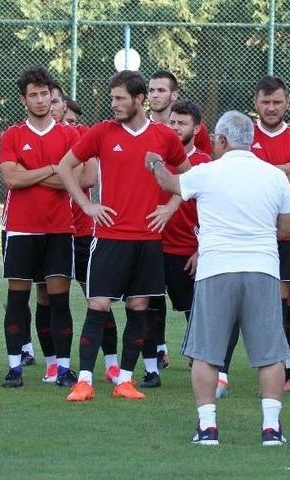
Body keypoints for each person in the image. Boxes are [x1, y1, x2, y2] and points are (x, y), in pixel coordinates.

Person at [150, 110, 290, 446]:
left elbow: (169, 183)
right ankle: (271, 428)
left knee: (206, 353)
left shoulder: (207, 172)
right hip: (262, 268)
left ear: (225, 140)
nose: (212, 142)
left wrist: (155, 161)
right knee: (270, 355)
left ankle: (208, 427)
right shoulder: (274, 176)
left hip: (216, 269)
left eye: (215, 138)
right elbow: (288, 228)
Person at [55, 70, 189, 402]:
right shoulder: (102, 132)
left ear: (139, 99)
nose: (113, 104)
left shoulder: (163, 137)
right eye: (112, 98)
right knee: (97, 304)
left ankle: (125, 380)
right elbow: (63, 166)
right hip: (110, 237)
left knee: (139, 307)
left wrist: (170, 208)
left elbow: (189, 176)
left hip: (147, 240)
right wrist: (87, 205)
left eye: (120, 98)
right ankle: (84, 380)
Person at [0, 67, 81, 388]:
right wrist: (52, 169)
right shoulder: (13, 135)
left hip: (60, 228)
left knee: (59, 301)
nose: (40, 99)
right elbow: (10, 179)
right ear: (24, 99)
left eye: (45, 93)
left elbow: (78, 177)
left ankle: (62, 368)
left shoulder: (70, 135)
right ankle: (14, 368)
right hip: (21, 229)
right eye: (33, 94)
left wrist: (30, 173)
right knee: (17, 300)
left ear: (52, 96)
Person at [242, 75, 290, 393]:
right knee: (251, 304)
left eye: (277, 102)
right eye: (265, 101)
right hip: (249, 232)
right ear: (256, 103)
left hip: (286, 235)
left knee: (281, 302)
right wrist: (284, 168)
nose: (271, 108)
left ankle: (288, 370)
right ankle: (233, 371)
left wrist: (267, 169)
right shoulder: (245, 136)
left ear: (287, 103)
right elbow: (237, 176)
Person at [139, 98, 211, 389]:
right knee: (149, 306)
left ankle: (198, 359)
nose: (176, 127)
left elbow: (213, 212)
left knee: (192, 308)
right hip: (152, 244)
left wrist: (200, 248)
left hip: (186, 250)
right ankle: (151, 367)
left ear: (196, 127)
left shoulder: (205, 163)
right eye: (172, 122)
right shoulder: (154, 159)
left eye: (182, 123)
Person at [56, 95, 120, 383]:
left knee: (96, 298)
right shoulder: (34, 135)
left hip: (82, 230)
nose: (54, 106)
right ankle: (54, 365)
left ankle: (112, 363)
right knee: (50, 299)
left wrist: (42, 174)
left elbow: (87, 177)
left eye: (57, 101)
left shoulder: (83, 136)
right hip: (53, 231)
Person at [148, 70, 212, 154]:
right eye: (151, 90)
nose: (155, 95)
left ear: (174, 95)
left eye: (161, 90)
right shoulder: (141, 127)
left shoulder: (195, 128)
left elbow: (206, 162)